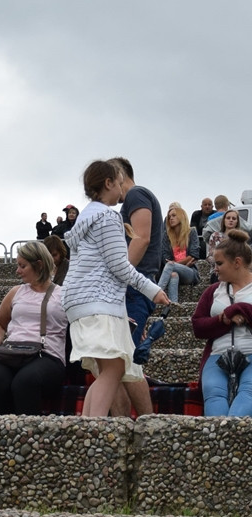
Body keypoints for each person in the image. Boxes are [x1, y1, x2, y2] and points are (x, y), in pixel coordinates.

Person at [61, 160, 168, 417]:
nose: (122, 189)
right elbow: (120, 266)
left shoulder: (86, 216)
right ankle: (94, 429)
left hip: (80, 301)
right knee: (114, 370)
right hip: (99, 301)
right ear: (108, 183)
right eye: (119, 183)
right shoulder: (108, 216)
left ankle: (88, 427)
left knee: (109, 369)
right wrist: (152, 290)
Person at [0, 241, 68, 415]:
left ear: (39, 265)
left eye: (22, 266)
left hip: (47, 355)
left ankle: (27, 437)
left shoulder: (63, 294)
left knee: (25, 382)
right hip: (12, 352)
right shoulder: (16, 291)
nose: (17, 271)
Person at [108, 156, 165, 417]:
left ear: (120, 174)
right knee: (116, 362)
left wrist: (119, 276)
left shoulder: (137, 194)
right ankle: (120, 427)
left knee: (127, 362)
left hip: (134, 286)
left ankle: (147, 424)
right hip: (134, 285)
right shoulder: (135, 199)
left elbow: (140, 239)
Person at [193, 229, 252, 416]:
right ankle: (220, 438)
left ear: (237, 263)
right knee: (212, 393)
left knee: (248, 393)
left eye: (219, 263)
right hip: (217, 355)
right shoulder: (212, 291)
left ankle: (229, 434)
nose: (215, 269)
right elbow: (198, 326)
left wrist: (237, 309)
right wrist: (223, 319)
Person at [155, 202, 200, 304]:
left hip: (190, 272)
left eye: (174, 215)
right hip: (175, 269)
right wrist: (183, 262)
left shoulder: (191, 232)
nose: (170, 218)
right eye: (169, 216)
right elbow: (165, 258)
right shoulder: (166, 236)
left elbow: (194, 255)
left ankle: (156, 294)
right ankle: (173, 305)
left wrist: (175, 264)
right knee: (173, 275)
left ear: (181, 216)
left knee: (171, 265)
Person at [207, 209, 242, 282]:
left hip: (235, 270)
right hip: (218, 271)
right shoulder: (215, 236)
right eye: (228, 218)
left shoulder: (240, 237)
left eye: (234, 218)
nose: (231, 220)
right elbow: (210, 256)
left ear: (237, 222)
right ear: (224, 220)